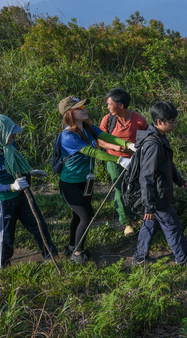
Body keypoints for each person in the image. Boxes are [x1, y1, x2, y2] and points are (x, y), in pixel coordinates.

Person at [58, 96, 136, 264]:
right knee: (86, 216)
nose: (84, 109)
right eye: (79, 108)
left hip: (86, 181)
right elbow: (92, 152)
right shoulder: (67, 136)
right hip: (70, 183)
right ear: (69, 113)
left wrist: (128, 145)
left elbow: (107, 138)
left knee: (78, 217)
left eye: (83, 106)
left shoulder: (88, 127)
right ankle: (78, 254)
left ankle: (72, 246)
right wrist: (119, 160)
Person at [0, 115, 58, 269]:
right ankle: (3, 265)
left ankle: (51, 255)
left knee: (38, 224)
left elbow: (15, 166)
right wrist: (11, 187)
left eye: (13, 133)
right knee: (5, 235)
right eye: (9, 133)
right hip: (3, 200)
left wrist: (30, 172)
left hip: (21, 195)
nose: (13, 136)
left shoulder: (10, 145)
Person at [133, 101, 187, 266]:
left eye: (174, 121)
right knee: (173, 228)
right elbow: (146, 177)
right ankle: (183, 260)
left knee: (149, 227)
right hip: (157, 197)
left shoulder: (160, 138)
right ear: (159, 122)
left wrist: (179, 181)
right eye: (171, 122)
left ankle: (140, 258)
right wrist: (149, 205)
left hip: (157, 195)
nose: (174, 125)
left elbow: (167, 164)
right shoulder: (153, 144)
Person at [98, 88, 148, 237]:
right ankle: (126, 222)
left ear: (120, 105)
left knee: (136, 188)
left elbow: (145, 141)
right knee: (119, 190)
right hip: (115, 161)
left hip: (134, 160)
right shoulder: (108, 119)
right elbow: (100, 140)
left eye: (109, 104)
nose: (107, 107)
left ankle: (137, 215)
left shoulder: (139, 120)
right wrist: (115, 147)